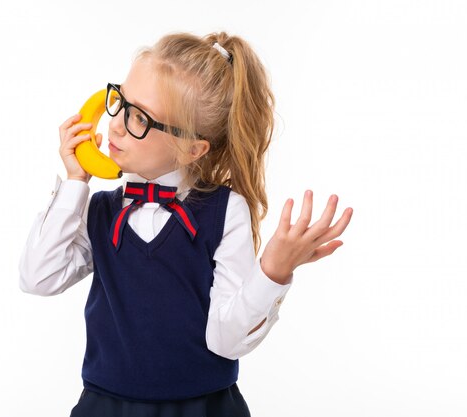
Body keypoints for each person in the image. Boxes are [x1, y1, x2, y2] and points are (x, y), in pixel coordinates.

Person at [18, 31, 353, 417]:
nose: (116, 126)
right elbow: (37, 278)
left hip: (203, 407)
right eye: (119, 102)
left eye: (140, 117)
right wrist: (75, 182)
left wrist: (273, 272)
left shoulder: (225, 211)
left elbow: (226, 341)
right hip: (106, 405)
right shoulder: (98, 210)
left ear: (193, 148)